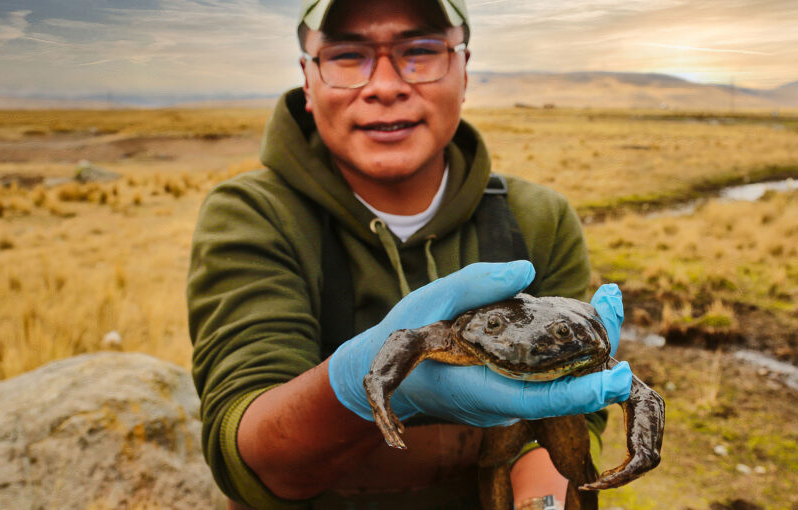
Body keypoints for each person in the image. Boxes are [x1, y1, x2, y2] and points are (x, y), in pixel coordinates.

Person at [187, 0, 635, 508]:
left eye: (419, 51)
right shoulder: (252, 214)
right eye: (347, 56)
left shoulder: (539, 217)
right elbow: (247, 453)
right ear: (308, 82)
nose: (385, 85)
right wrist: (357, 389)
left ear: (463, 72)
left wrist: (542, 501)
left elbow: (567, 415)